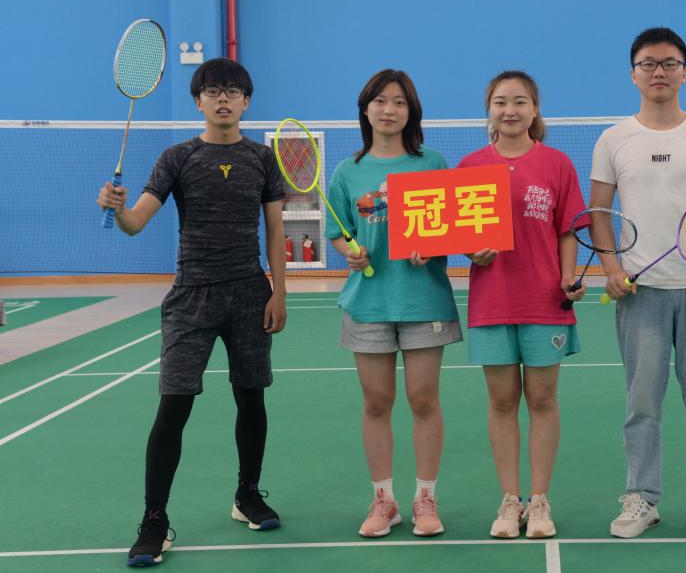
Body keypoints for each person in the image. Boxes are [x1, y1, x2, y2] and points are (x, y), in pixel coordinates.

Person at [97, 58, 288, 567]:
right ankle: (154, 520)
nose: (223, 99)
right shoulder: (177, 157)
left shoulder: (262, 158)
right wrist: (117, 208)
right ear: (198, 101)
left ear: (246, 101)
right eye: (213, 91)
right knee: (174, 406)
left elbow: (275, 231)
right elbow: (136, 222)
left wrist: (279, 292)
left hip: (249, 293)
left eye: (232, 91)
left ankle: (248, 494)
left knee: (251, 398)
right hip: (192, 297)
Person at [591, 27, 686, 541]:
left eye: (669, 63)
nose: (659, 71)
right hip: (641, 294)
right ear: (633, 73)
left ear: (684, 71)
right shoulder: (613, 139)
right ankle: (641, 497)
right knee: (642, 405)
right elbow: (599, 213)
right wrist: (611, 269)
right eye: (649, 64)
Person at [326, 69, 462, 538]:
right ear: (366, 109)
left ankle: (426, 498)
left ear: (411, 111)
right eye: (380, 101)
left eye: (400, 102)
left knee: (423, 399)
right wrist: (350, 252)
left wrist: (435, 244)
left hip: (423, 299)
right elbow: (338, 233)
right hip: (368, 302)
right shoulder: (347, 172)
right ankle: (384, 500)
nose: (389, 110)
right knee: (377, 401)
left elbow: (454, 228)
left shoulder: (432, 163)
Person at [457, 71, 587, 539]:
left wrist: (568, 277)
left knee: (542, 399)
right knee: (501, 400)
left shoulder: (557, 164)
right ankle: (510, 501)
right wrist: (471, 252)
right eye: (499, 102)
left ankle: (540, 500)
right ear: (489, 110)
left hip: (544, 301)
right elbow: (459, 235)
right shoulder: (470, 167)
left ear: (534, 109)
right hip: (492, 302)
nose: (509, 110)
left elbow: (567, 230)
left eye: (519, 101)